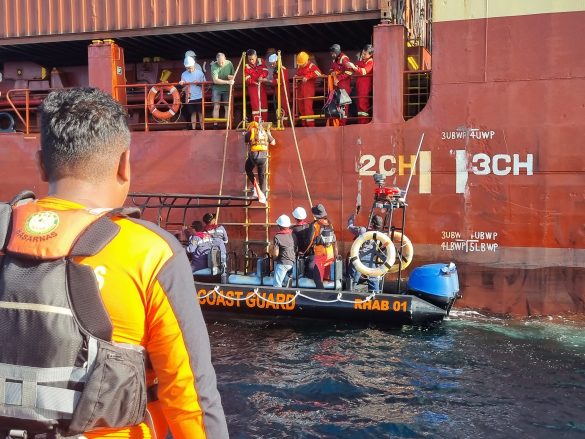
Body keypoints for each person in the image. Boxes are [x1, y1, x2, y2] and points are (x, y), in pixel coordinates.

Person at [0, 88, 228, 438]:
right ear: (124, 164)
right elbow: (191, 399)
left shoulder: (4, 231)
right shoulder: (151, 252)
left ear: (41, 164)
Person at [347, 212, 384, 291]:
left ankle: (350, 293)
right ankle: (375, 295)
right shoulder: (381, 235)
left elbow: (350, 227)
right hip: (371, 260)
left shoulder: (362, 230)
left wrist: (351, 218)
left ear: (372, 223)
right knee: (373, 281)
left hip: (358, 258)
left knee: (352, 281)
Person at [305, 204, 337, 289]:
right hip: (330, 253)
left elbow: (310, 241)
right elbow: (334, 239)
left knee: (318, 279)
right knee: (325, 276)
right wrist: (336, 254)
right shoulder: (329, 223)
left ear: (315, 215)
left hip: (320, 255)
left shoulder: (314, 225)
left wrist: (304, 252)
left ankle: (321, 295)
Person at [244, 121, 276, 204]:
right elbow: (273, 143)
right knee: (262, 175)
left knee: (248, 169)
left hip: (254, 156)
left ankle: (256, 186)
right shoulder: (264, 133)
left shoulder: (250, 132)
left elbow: (246, 140)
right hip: (263, 157)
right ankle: (263, 195)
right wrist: (269, 134)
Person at [329, 44, 356, 126]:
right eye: (331, 53)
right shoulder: (335, 59)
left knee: (343, 105)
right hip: (337, 86)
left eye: (333, 53)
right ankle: (338, 123)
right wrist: (332, 72)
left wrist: (338, 78)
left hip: (344, 86)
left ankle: (342, 124)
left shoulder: (344, 59)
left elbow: (350, 71)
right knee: (337, 105)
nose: (332, 54)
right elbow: (331, 69)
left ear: (337, 51)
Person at [295, 51, 323, 127]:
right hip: (301, 89)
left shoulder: (311, 66)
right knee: (301, 108)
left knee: (308, 108)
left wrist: (308, 76)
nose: (301, 65)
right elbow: (298, 74)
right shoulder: (300, 67)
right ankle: (304, 125)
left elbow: (318, 73)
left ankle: (310, 125)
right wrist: (297, 76)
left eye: (302, 63)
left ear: (306, 60)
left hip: (308, 90)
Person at [179, 56, 206, 129]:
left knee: (200, 113)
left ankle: (202, 128)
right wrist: (182, 83)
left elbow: (205, 84)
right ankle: (193, 129)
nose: (189, 70)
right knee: (192, 113)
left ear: (194, 65)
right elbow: (183, 85)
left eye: (190, 68)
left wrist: (199, 83)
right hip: (189, 97)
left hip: (199, 96)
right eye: (188, 68)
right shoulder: (183, 74)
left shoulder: (200, 73)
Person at [271, 214, 297, 287]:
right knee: (284, 280)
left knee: (277, 285)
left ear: (279, 226)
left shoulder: (278, 237)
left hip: (283, 263)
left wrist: (274, 259)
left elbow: (276, 254)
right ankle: (287, 280)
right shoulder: (293, 235)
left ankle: (278, 294)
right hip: (292, 263)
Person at [244, 49, 269, 122]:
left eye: (252, 59)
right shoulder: (246, 66)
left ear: (256, 56)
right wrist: (254, 82)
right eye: (249, 59)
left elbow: (265, 70)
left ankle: (264, 122)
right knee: (255, 105)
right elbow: (247, 78)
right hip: (252, 88)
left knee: (263, 104)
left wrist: (262, 76)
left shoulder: (261, 61)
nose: (251, 61)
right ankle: (257, 123)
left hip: (261, 85)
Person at [210, 52, 235, 125]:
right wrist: (227, 82)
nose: (221, 64)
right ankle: (215, 125)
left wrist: (231, 77)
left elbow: (233, 75)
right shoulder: (214, 65)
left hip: (227, 89)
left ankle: (227, 125)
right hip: (216, 89)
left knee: (227, 107)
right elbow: (215, 80)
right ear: (216, 60)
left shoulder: (229, 63)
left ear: (225, 59)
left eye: (222, 62)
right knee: (216, 107)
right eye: (219, 62)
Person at [352, 44, 374, 124]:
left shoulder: (370, 62)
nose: (363, 55)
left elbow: (364, 71)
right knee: (359, 105)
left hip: (365, 88)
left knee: (363, 105)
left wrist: (354, 68)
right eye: (362, 53)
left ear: (370, 54)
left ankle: (363, 123)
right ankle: (361, 122)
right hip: (359, 87)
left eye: (365, 54)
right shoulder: (362, 62)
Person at [266, 53, 290, 123]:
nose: (272, 65)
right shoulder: (276, 70)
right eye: (271, 64)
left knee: (285, 108)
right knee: (280, 109)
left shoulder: (282, 69)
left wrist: (268, 80)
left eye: (273, 63)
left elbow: (280, 81)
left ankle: (285, 124)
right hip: (279, 92)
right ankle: (282, 123)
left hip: (283, 93)